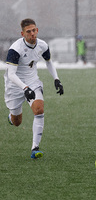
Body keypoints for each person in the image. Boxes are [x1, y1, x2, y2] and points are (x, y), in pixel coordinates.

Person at [4, 18, 64, 159]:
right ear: (22, 34)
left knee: (39, 109)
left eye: (34, 30)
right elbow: (11, 75)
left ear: (37, 30)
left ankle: (35, 148)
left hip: (33, 81)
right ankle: (11, 117)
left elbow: (49, 62)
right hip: (15, 86)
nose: (32, 34)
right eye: (28, 31)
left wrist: (56, 79)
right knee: (17, 122)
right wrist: (24, 88)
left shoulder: (42, 45)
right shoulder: (15, 49)